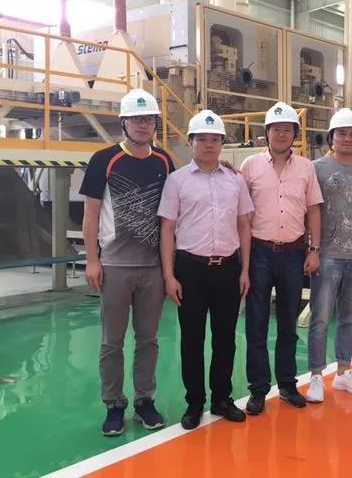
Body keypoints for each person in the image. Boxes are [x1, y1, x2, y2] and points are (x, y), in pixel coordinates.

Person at [80, 88, 174, 436]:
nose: (142, 124)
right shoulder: (104, 159)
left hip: (152, 268)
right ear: (124, 123)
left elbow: (174, 210)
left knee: (149, 339)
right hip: (115, 267)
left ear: (155, 123)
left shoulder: (164, 161)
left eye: (148, 119)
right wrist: (93, 260)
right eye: (136, 119)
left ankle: (144, 401)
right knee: (112, 342)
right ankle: (114, 405)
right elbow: (90, 215)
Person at [158, 110, 254, 429]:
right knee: (192, 339)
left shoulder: (235, 180)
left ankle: (221, 399)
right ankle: (194, 402)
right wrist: (169, 275)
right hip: (191, 269)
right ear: (191, 142)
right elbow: (167, 229)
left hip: (227, 268)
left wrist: (244, 270)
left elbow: (244, 225)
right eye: (202, 139)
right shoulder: (177, 181)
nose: (209, 145)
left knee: (225, 338)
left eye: (215, 139)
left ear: (223, 143)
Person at [240, 102, 324, 413]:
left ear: (294, 134)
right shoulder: (250, 166)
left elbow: (313, 209)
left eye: (287, 129)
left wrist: (314, 249)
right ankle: (258, 389)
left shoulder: (306, 168)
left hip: (293, 254)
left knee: (288, 323)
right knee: (257, 323)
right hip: (259, 252)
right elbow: (241, 213)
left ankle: (287, 384)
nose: (281, 134)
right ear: (266, 132)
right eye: (276, 129)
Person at [305, 108, 352, 403]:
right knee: (320, 318)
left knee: (350, 317)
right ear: (331, 138)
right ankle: (316, 375)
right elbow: (309, 210)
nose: (348, 139)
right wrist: (312, 248)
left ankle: (344, 372)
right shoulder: (315, 169)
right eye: (342, 133)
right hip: (327, 256)